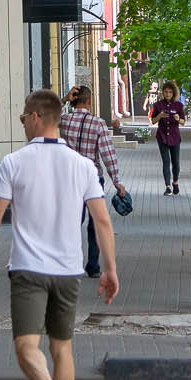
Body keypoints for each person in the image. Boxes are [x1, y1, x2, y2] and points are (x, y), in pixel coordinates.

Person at [0, 90, 119, 380]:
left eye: (24, 117)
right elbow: (102, 221)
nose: (22, 122)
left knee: (27, 345)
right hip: (69, 270)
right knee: (62, 347)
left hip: (28, 269)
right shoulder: (83, 166)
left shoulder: (13, 163)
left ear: (37, 117)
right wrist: (110, 270)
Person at [58, 86, 128, 278]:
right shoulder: (98, 124)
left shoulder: (63, 120)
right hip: (91, 178)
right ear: (89, 101)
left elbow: (42, 115)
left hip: (70, 177)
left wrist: (62, 100)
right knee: (95, 221)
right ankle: (93, 266)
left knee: (72, 221)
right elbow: (107, 153)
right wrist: (116, 181)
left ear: (73, 101)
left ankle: (68, 262)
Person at [149, 82, 186, 194]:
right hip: (162, 136)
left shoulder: (178, 105)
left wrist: (178, 119)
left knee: (176, 163)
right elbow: (153, 121)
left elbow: (183, 122)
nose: (168, 94)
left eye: (170, 92)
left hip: (175, 137)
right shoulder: (158, 105)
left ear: (173, 93)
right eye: (166, 92)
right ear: (163, 92)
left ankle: (175, 182)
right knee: (166, 162)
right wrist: (159, 116)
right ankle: (168, 186)